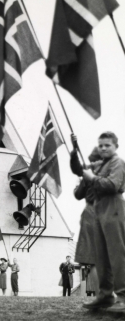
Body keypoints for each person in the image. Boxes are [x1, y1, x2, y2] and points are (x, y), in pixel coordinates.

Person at [80, 132, 125, 312]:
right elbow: (82, 191)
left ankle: (123, 296)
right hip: (99, 208)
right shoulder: (101, 165)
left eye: (107, 145)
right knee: (101, 255)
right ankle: (105, 295)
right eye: (101, 145)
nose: (103, 148)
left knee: (117, 253)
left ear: (116, 147)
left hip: (113, 205)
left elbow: (113, 184)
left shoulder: (117, 162)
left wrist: (92, 178)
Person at [70, 142, 101, 296]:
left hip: (91, 215)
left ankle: (103, 295)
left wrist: (74, 150)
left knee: (93, 259)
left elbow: (78, 194)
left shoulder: (90, 172)